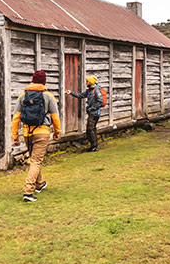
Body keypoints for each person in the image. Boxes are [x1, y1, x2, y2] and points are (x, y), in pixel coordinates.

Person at [11, 70, 61, 202]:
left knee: (34, 160)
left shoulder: (23, 96)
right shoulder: (49, 96)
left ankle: (39, 184)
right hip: (42, 132)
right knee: (36, 161)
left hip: (27, 133)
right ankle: (28, 191)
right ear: (44, 82)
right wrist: (57, 132)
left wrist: (15, 135)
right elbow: (55, 117)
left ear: (32, 80)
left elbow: (16, 118)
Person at [66, 75, 104, 152]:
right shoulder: (89, 91)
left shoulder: (96, 90)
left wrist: (92, 108)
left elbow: (100, 101)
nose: (86, 83)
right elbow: (80, 95)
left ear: (90, 82)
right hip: (92, 112)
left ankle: (94, 146)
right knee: (91, 129)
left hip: (95, 113)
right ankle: (94, 145)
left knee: (90, 129)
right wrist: (71, 93)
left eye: (87, 81)